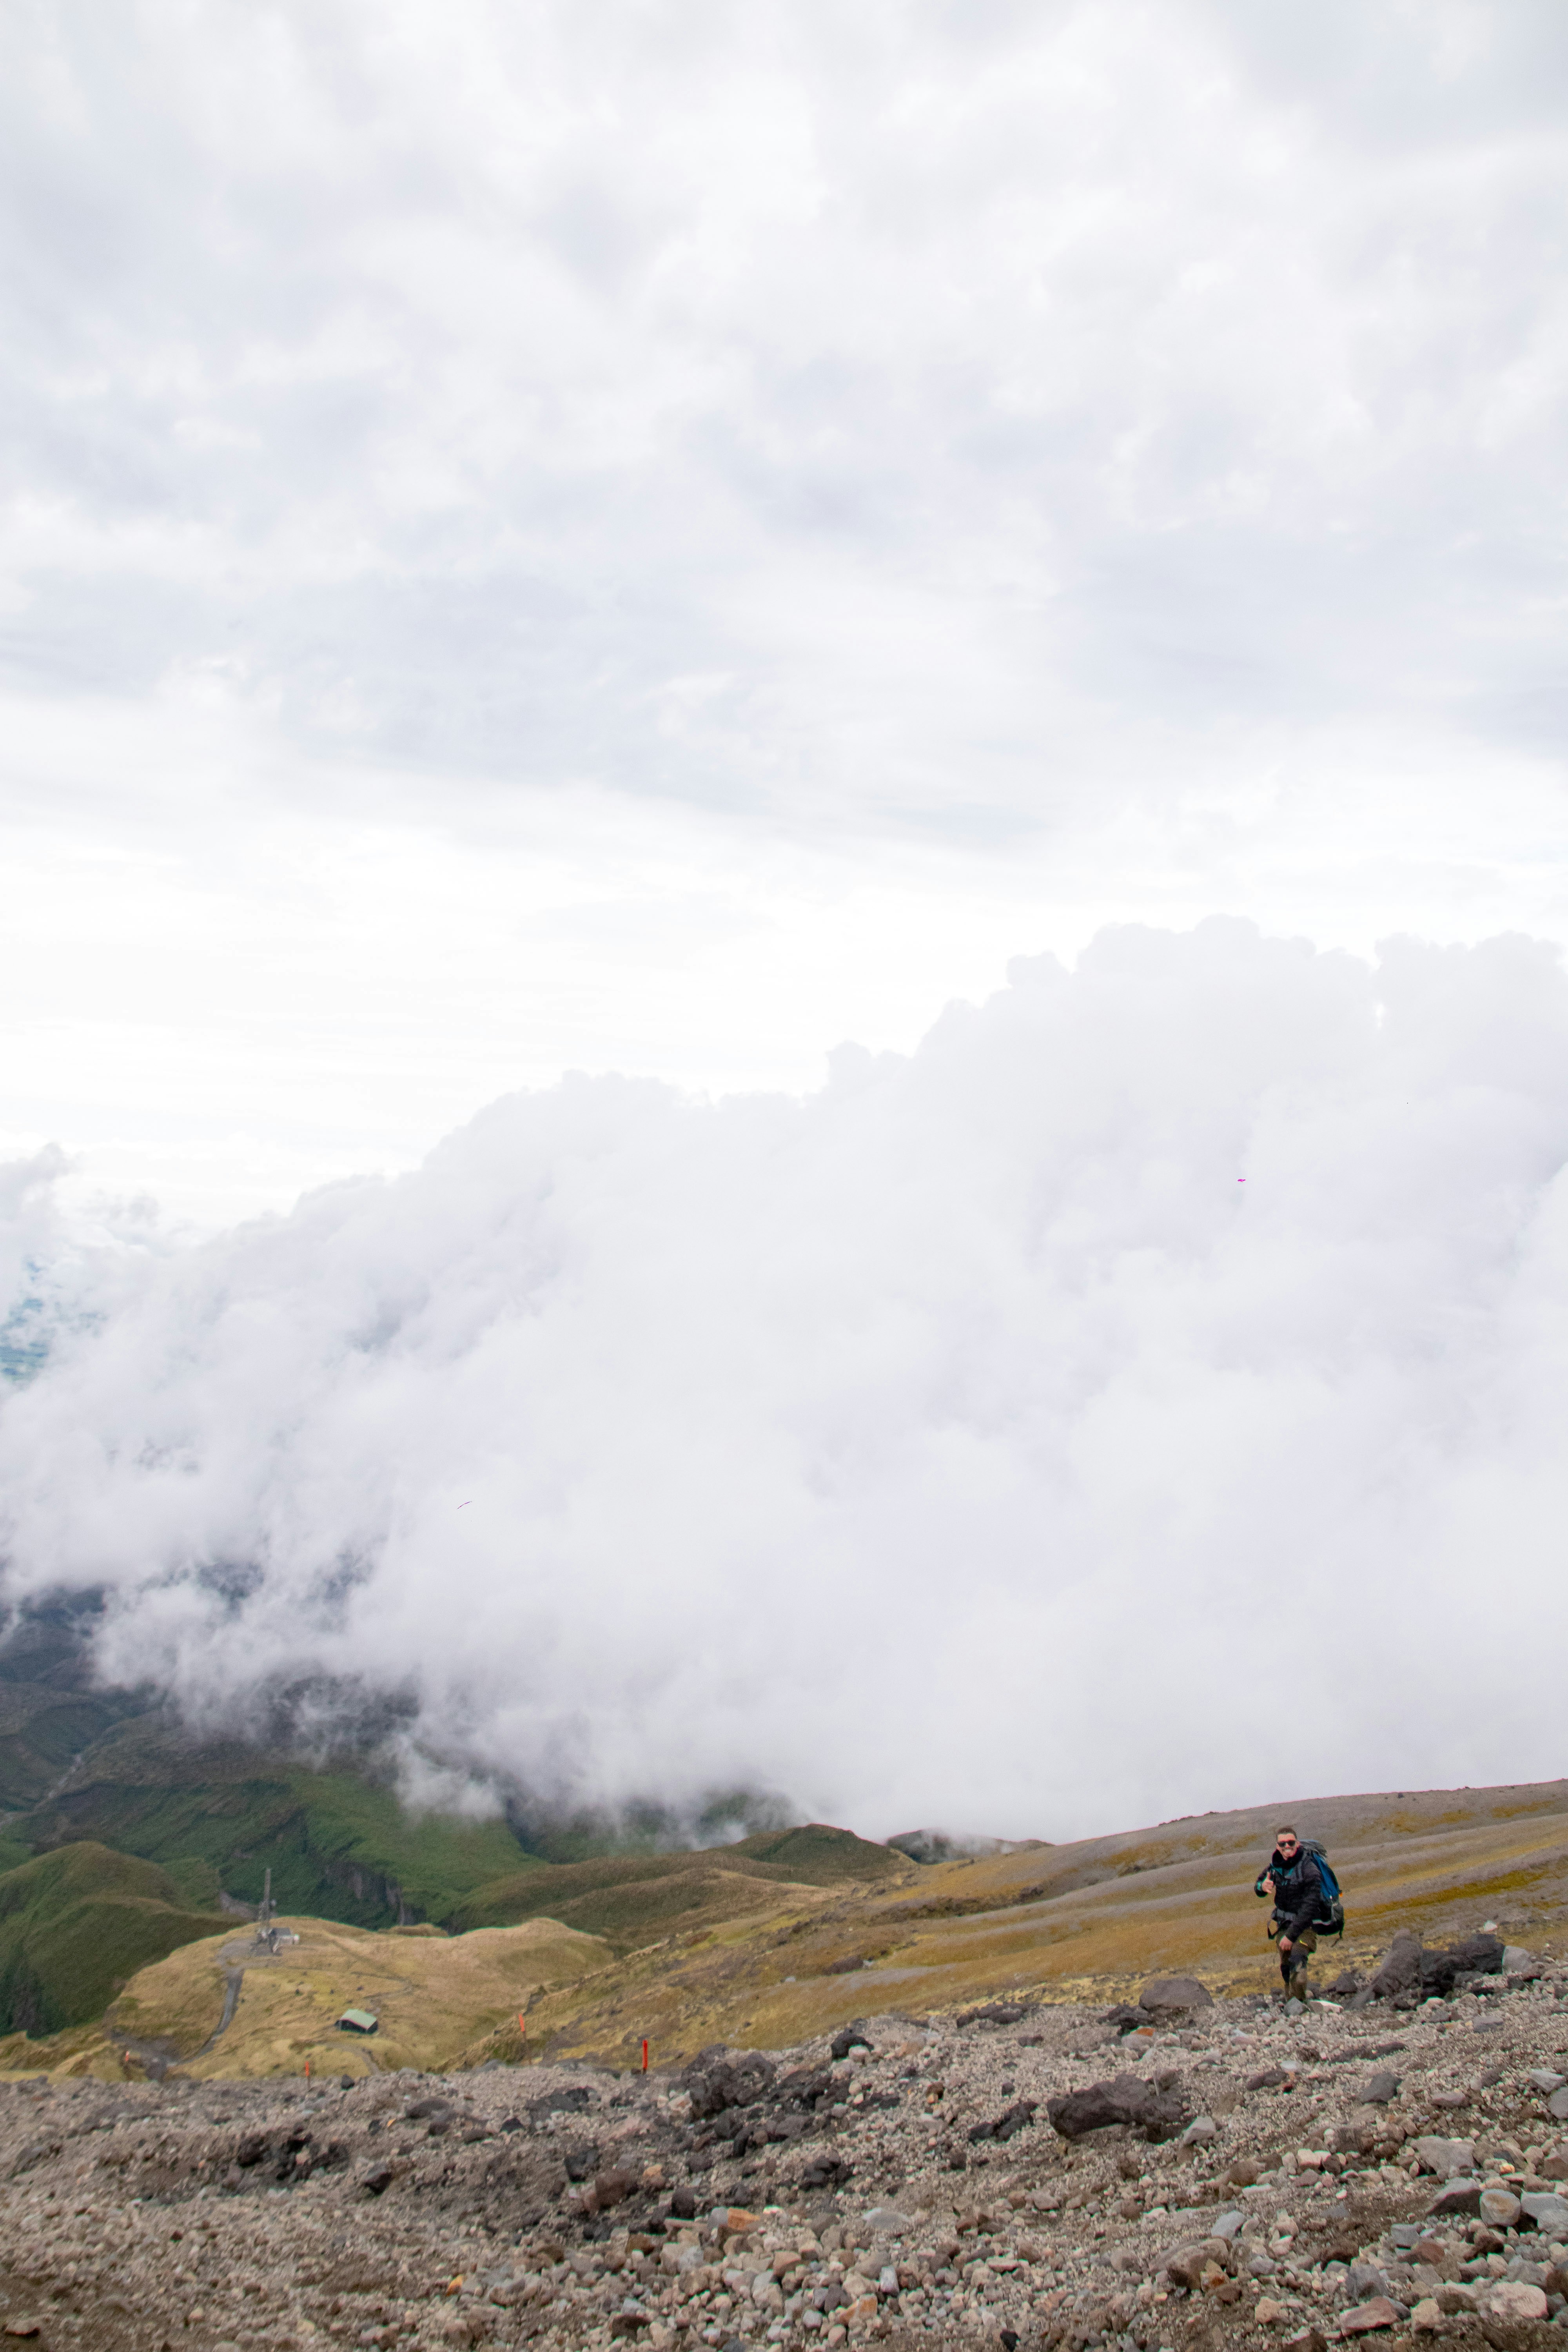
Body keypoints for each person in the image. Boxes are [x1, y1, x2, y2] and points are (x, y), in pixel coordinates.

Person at [1255, 1825, 1326, 2000]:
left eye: (1291, 1843)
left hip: (1305, 1928)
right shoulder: (1275, 1867)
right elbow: (1258, 1886)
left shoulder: (1310, 1870)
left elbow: (1310, 1908)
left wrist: (1291, 1936)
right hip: (1283, 1926)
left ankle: (1298, 2008)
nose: (1287, 1847)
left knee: (1298, 1967)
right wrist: (1262, 1887)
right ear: (1277, 1847)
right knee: (1286, 1969)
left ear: (1298, 1843)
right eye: (1283, 1844)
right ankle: (1291, 2006)